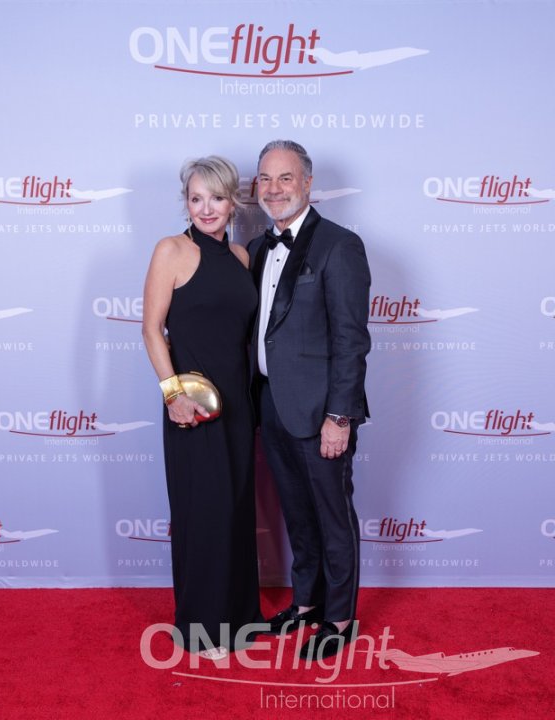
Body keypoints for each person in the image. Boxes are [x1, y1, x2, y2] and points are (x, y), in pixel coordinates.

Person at [248, 140, 371, 661]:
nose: (274, 189)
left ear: (307, 183)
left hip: (323, 413)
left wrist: (339, 416)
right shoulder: (256, 249)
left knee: (332, 516)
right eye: (265, 178)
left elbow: (351, 340)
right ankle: (306, 604)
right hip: (271, 404)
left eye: (286, 178)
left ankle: (338, 619)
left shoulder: (339, 246)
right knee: (297, 515)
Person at [142, 155, 263, 659]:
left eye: (216, 198)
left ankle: (241, 618)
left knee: (235, 510)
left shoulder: (240, 257)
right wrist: (173, 395)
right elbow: (152, 330)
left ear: (233, 201)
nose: (206, 208)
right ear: (186, 203)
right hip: (191, 406)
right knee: (203, 514)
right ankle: (201, 629)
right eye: (196, 198)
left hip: (239, 405)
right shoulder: (171, 250)